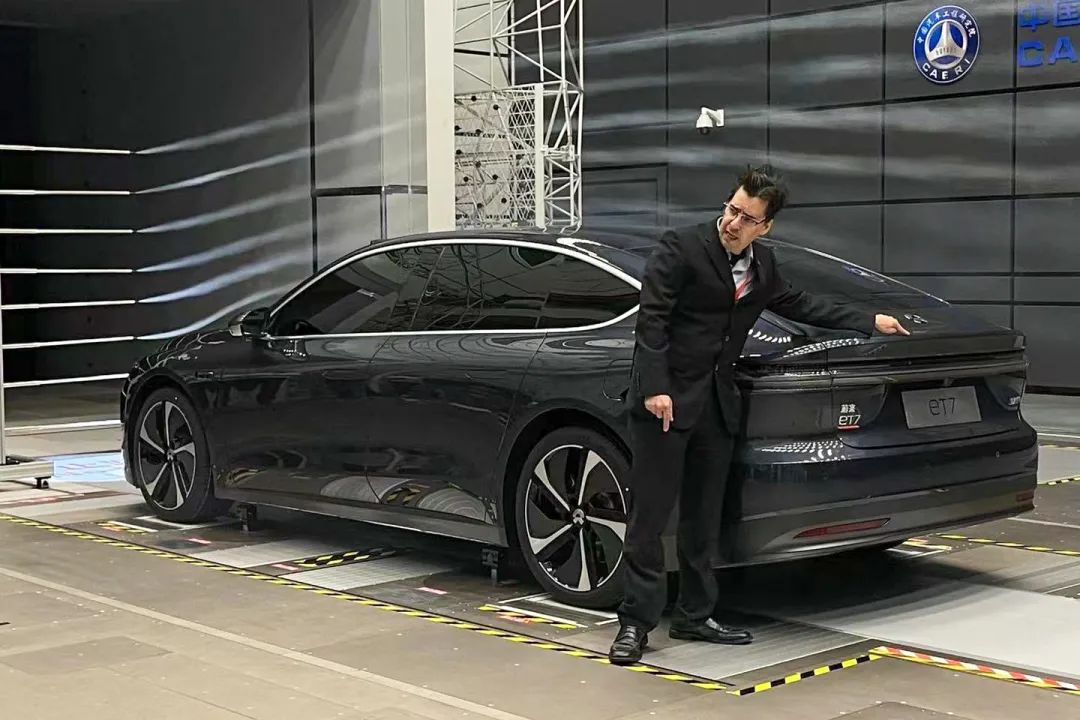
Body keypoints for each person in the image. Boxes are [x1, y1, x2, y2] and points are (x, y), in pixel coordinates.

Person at [608, 165, 910, 666]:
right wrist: (656, 387)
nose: (734, 223)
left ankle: (695, 615)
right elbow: (653, 319)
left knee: (704, 518)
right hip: (666, 404)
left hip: (717, 405)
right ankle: (635, 624)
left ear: (765, 226)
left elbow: (800, 303)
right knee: (650, 517)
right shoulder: (681, 247)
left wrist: (868, 320)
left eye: (747, 218)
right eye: (732, 210)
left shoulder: (763, 266)